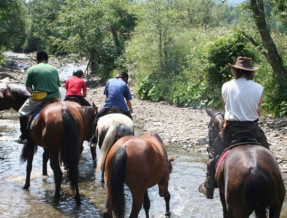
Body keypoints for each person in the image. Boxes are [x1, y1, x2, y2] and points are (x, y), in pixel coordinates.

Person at [199, 56, 269, 199]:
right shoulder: (259, 88)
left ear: (235, 71)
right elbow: (258, 112)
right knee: (268, 153)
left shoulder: (226, 86)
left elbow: (226, 108)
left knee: (214, 155)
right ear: (251, 72)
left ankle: (209, 185)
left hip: (231, 130)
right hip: (252, 129)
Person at [17, 51, 61, 144]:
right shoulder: (54, 69)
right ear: (47, 59)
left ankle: (24, 136)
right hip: (55, 97)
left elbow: (28, 88)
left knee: (22, 113)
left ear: (37, 59)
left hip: (40, 97)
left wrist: (35, 92)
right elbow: (57, 85)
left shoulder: (32, 69)